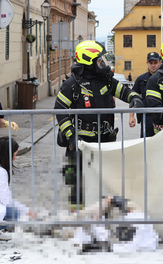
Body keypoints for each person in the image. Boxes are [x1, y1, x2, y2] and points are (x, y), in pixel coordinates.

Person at [54, 40, 143, 204]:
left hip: (105, 142)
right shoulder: (72, 85)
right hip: (81, 144)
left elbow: (124, 91)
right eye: (99, 60)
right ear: (89, 62)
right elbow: (60, 110)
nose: (103, 63)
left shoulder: (106, 80)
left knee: (105, 186)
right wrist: (71, 136)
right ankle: (79, 223)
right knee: (77, 189)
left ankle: (102, 223)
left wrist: (135, 98)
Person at [128, 52, 161, 137]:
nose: (153, 65)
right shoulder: (141, 79)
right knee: (146, 142)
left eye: (155, 63)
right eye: (151, 63)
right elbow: (134, 98)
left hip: (161, 117)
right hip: (146, 117)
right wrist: (132, 116)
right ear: (147, 63)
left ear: (160, 62)